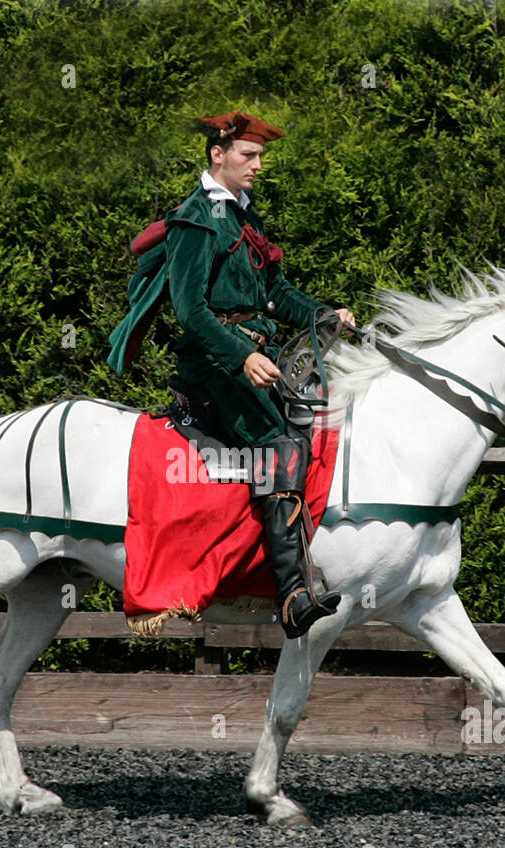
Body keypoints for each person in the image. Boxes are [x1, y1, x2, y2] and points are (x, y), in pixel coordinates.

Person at [164, 110, 355, 638]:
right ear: (217, 155)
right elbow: (190, 310)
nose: (258, 165)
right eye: (249, 156)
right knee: (279, 445)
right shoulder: (195, 219)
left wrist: (324, 315)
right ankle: (293, 593)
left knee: (314, 420)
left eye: (261, 157)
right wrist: (239, 357)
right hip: (211, 360)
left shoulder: (248, 219)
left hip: (254, 348)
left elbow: (276, 294)